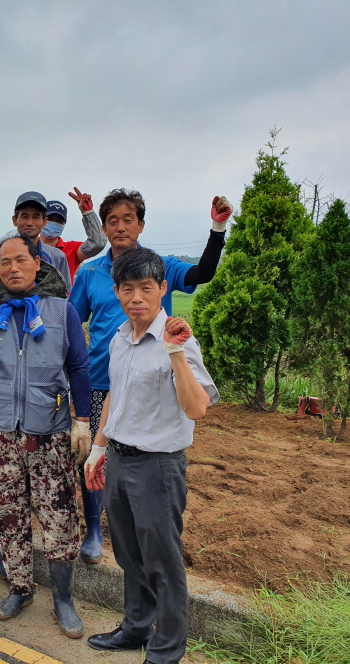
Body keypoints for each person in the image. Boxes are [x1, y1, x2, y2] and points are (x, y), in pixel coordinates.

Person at [69, 189, 232, 565]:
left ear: (141, 225)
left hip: (150, 380)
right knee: (95, 456)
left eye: (128, 219)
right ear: (104, 228)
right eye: (112, 221)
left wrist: (217, 229)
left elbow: (202, 273)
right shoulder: (90, 272)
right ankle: (94, 529)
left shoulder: (159, 266)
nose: (120, 227)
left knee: (142, 455)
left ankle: (144, 530)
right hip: (102, 380)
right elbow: (73, 322)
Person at [0, 235, 93, 639]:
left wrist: (82, 420)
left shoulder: (61, 310)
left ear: (37, 264)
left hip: (49, 432)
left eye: (20, 260)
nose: (12, 268)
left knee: (58, 516)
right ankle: (20, 588)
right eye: (5, 262)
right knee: (8, 513)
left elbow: (79, 368)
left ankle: (63, 599)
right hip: (1, 433)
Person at [84, 248, 218, 664]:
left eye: (146, 287)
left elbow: (197, 408)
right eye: (128, 288)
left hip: (158, 467)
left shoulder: (178, 338)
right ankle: (136, 627)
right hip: (119, 460)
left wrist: (175, 352)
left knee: (162, 562)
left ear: (162, 288)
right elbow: (115, 395)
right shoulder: (119, 338)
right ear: (117, 292)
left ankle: (166, 650)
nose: (137, 297)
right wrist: (98, 448)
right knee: (128, 554)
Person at [0, 192, 72, 287]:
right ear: (15, 220)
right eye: (24, 217)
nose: (29, 223)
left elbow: (66, 291)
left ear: (44, 222)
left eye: (36, 217)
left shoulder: (57, 256)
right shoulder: (1, 254)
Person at [40, 188, 107, 279]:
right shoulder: (27, 247)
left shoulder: (72, 250)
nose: (54, 223)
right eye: (50, 219)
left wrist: (88, 213)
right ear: (41, 220)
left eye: (59, 221)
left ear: (64, 224)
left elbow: (98, 243)